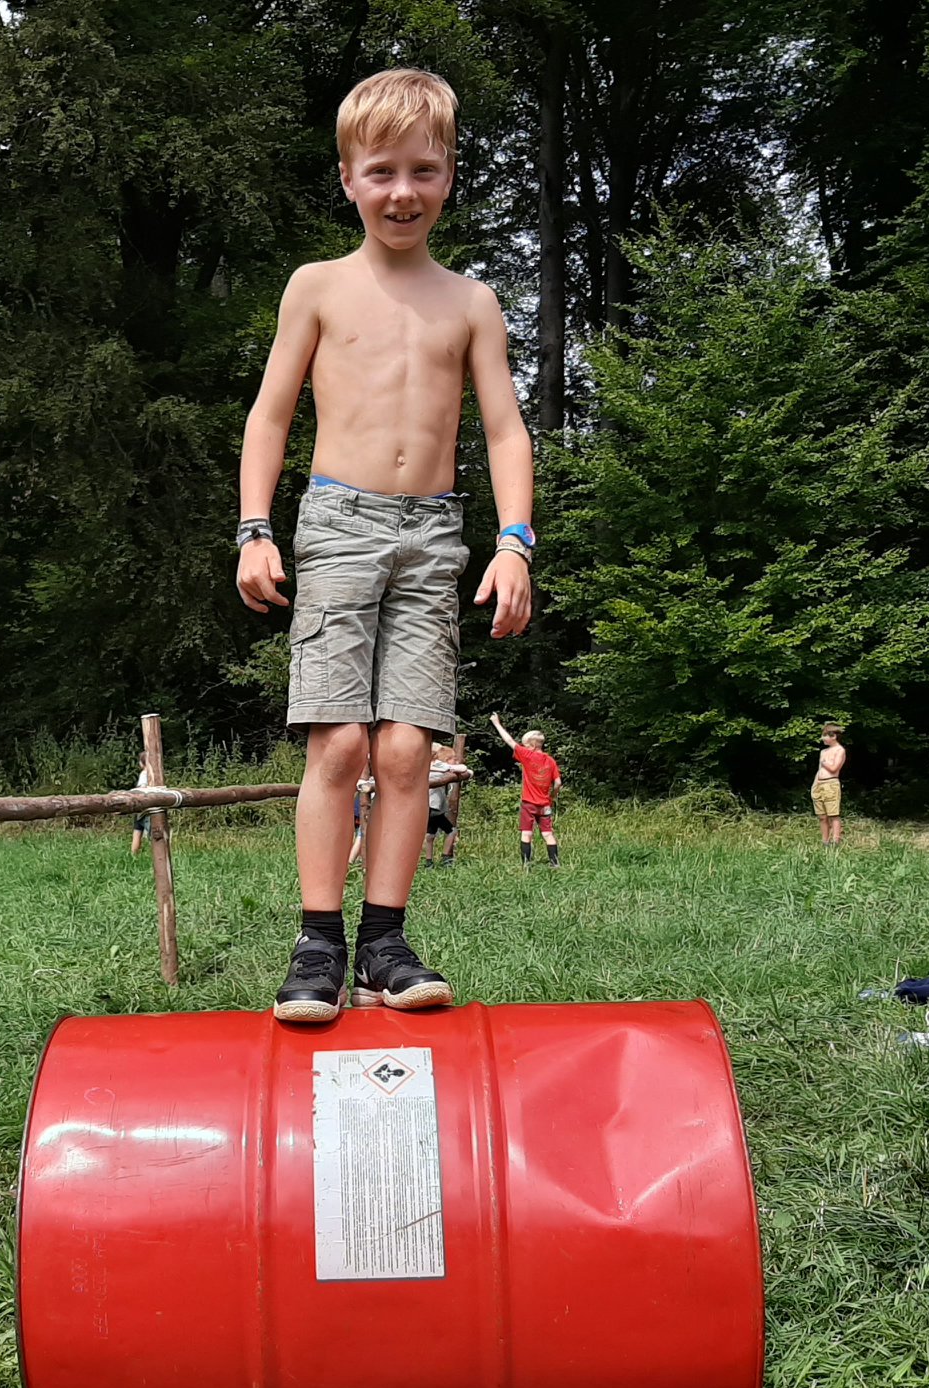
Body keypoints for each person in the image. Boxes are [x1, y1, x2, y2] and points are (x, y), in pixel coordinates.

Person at [234, 68, 534, 1021]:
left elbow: (504, 432)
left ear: (448, 176)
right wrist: (254, 529)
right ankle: (317, 944)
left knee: (408, 750)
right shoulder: (317, 287)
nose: (402, 191)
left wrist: (515, 542)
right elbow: (269, 416)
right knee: (339, 744)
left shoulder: (471, 301)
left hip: (433, 536)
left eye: (423, 170)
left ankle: (386, 942)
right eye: (381, 172)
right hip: (338, 524)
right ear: (347, 179)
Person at [488, 712, 560, 866]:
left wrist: (496, 723)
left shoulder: (527, 755)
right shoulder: (551, 761)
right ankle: (555, 864)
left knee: (526, 833)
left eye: (525, 744)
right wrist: (552, 796)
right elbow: (558, 783)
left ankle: (526, 864)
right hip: (545, 804)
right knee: (548, 834)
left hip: (529, 803)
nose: (524, 746)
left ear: (532, 745)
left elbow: (508, 740)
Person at [424, 743, 472, 866]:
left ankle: (429, 861)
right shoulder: (441, 767)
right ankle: (446, 859)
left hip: (430, 807)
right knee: (451, 831)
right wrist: (451, 768)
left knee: (430, 835)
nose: (456, 761)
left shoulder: (431, 767)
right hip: (433, 807)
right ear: (446, 760)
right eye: (453, 759)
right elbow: (463, 769)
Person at [813, 722, 847, 846]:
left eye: (825, 736)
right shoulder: (823, 752)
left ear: (833, 736)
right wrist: (815, 785)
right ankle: (825, 841)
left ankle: (835, 841)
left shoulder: (840, 750)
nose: (823, 738)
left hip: (831, 784)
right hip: (819, 784)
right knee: (822, 816)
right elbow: (819, 770)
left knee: (833, 814)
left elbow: (834, 768)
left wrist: (825, 762)